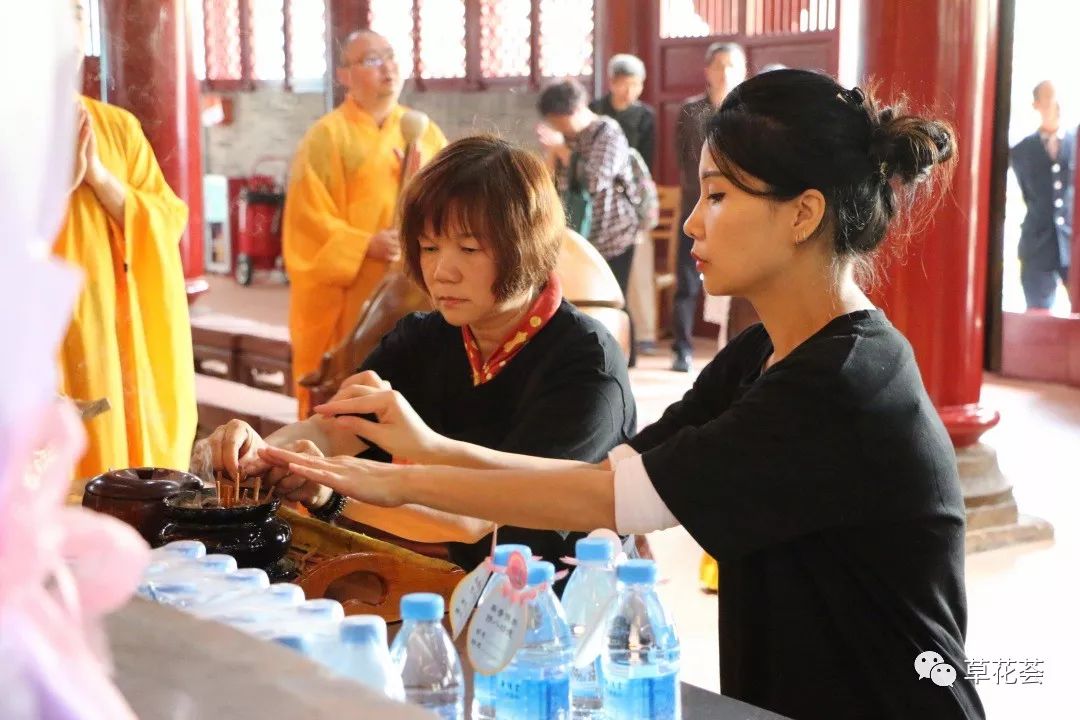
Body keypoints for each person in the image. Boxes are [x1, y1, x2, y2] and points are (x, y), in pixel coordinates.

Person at [260, 70, 985, 720]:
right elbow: (613, 476)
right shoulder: (765, 354)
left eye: (720, 195)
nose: (695, 221)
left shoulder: (841, 383)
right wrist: (426, 451)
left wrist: (377, 480)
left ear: (803, 214)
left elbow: (602, 502)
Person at [206, 135, 636, 573]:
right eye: (429, 247)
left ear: (527, 245)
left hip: (550, 606)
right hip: (424, 586)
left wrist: (330, 491)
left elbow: (481, 516)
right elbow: (337, 430)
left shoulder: (587, 367)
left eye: (468, 249)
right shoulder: (423, 336)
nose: (441, 272)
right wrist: (259, 453)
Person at [54, 0, 195, 478]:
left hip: (114, 329)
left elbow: (167, 219)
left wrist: (99, 178)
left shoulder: (117, 128)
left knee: (123, 466)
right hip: (45, 331)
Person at [283, 29, 447, 416]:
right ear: (344, 75)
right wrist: (363, 244)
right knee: (345, 402)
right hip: (353, 295)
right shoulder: (326, 137)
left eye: (391, 56)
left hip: (413, 291)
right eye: (372, 60)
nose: (388, 68)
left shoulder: (427, 132)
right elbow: (307, 222)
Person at [672, 41, 747, 372]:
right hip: (694, 203)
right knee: (687, 281)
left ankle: (732, 351)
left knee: (737, 282)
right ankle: (681, 349)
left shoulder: (746, 111)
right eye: (719, 65)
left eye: (732, 65)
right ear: (708, 70)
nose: (725, 72)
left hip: (735, 209)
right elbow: (683, 158)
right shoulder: (691, 111)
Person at [536, 80, 640, 317]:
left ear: (574, 110)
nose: (555, 126)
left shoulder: (607, 132)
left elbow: (596, 180)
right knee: (576, 304)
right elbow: (547, 186)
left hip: (613, 236)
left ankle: (623, 354)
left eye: (556, 119)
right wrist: (552, 155)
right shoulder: (564, 138)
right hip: (576, 238)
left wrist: (562, 151)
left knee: (613, 305)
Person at [591, 53, 661, 358]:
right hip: (599, 203)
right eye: (625, 84)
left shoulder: (646, 116)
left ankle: (643, 334)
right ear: (612, 83)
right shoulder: (595, 110)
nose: (630, 91)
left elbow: (646, 162)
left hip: (631, 202)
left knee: (637, 273)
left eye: (636, 85)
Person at [1009, 80, 1074, 311]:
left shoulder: (1076, 142)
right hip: (1036, 246)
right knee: (1037, 318)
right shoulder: (1021, 151)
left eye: (1056, 98)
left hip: (1074, 243)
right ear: (1036, 104)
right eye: (1047, 99)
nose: (1054, 104)